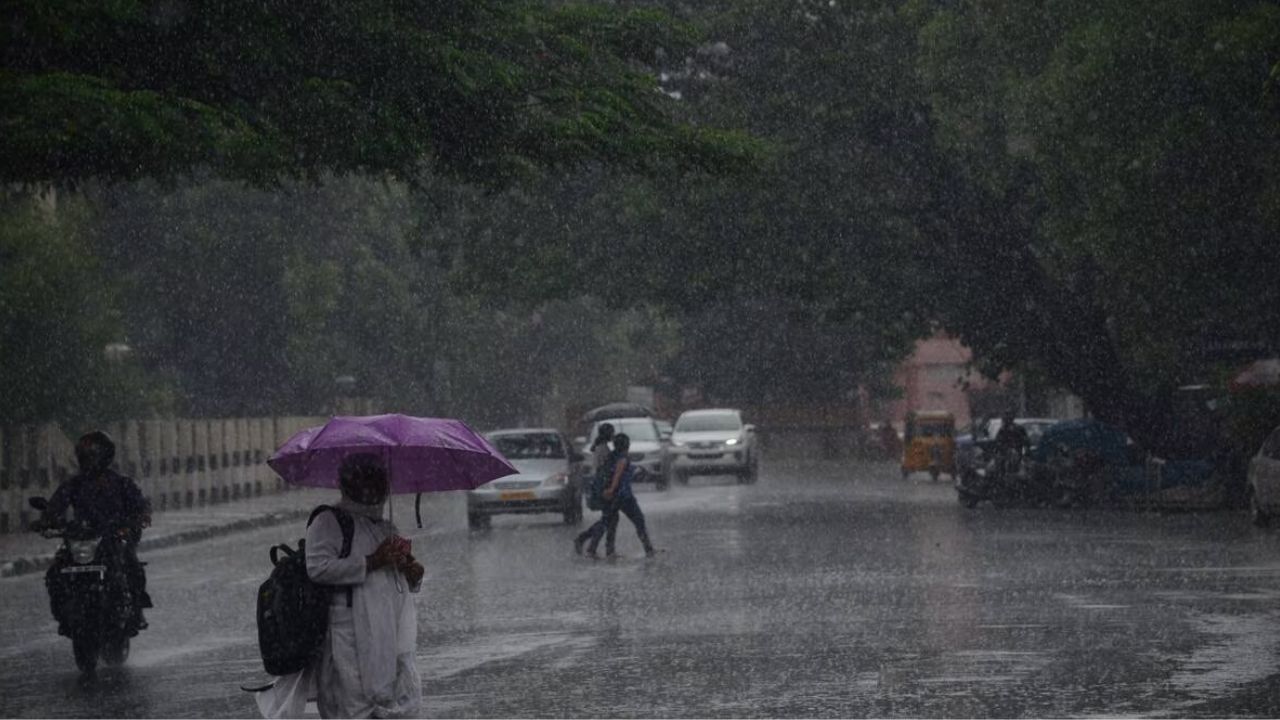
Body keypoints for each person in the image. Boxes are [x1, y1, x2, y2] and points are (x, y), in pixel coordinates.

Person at [257, 453, 423, 719]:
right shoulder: (329, 522)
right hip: (346, 637)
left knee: (386, 703)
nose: (376, 488)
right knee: (350, 707)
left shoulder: (384, 527)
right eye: (367, 481)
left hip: (383, 635)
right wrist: (372, 561)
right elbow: (318, 568)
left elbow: (397, 583)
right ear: (349, 485)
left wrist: (412, 572)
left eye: (380, 481)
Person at [37, 430, 152, 631]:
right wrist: (46, 520)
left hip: (113, 538)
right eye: (85, 454)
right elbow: (56, 506)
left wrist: (139, 517)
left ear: (105, 455)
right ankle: (64, 615)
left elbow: (140, 505)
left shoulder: (121, 482)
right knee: (55, 573)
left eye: (93, 454)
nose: (89, 458)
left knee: (132, 565)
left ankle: (136, 610)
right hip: (82, 539)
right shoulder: (74, 484)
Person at [598, 434, 656, 558]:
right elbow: (618, 473)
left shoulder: (611, 456)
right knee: (638, 520)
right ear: (626, 445)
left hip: (611, 497)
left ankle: (609, 550)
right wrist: (612, 488)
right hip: (623, 496)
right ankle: (648, 549)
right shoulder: (623, 458)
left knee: (611, 522)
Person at [573, 423, 615, 557]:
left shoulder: (601, 447)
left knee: (608, 518)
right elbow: (604, 469)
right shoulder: (602, 449)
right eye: (611, 432)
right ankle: (587, 542)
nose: (613, 435)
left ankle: (591, 544)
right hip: (602, 485)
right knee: (607, 519)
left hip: (601, 484)